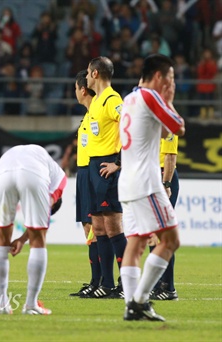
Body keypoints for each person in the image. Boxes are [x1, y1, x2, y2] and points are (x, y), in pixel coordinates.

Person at [119, 54, 185, 321]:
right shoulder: (151, 96)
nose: (171, 83)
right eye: (170, 78)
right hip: (147, 182)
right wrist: (168, 101)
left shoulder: (130, 98)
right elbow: (178, 127)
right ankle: (140, 300)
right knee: (171, 240)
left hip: (127, 182)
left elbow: (161, 132)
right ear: (158, 77)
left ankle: (131, 308)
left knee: (134, 245)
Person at [0, 145, 66, 315]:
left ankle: (3, 305)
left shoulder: (38, 157)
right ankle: (31, 304)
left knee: (1, 239)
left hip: (3, 173)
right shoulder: (60, 179)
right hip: (33, 174)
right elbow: (43, 217)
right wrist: (25, 239)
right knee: (38, 240)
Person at [85, 56, 127, 299]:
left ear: (96, 74)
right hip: (93, 166)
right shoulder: (97, 101)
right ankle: (107, 284)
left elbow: (127, 125)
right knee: (99, 226)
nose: (88, 76)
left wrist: (118, 163)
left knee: (113, 225)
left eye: (89, 72)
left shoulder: (113, 99)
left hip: (106, 164)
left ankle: (127, 283)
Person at [68, 70, 103, 298]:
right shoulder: (88, 116)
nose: (74, 92)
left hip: (93, 173)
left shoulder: (98, 113)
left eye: (75, 88)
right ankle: (96, 279)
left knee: (97, 228)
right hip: (83, 175)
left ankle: (102, 280)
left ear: (83, 89)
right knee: (88, 227)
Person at [148, 132, 180, 301]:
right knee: (152, 234)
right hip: (151, 175)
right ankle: (157, 284)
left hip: (163, 176)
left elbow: (170, 156)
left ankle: (168, 287)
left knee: (162, 233)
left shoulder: (168, 126)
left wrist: (166, 184)